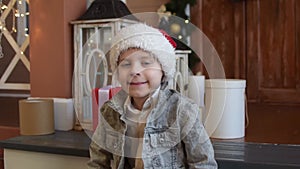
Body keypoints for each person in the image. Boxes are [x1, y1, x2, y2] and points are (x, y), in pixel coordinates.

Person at [87, 23, 217, 169]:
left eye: (146, 63)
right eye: (126, 64)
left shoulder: (183, 111)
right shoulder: (110, 111)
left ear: (163, 70)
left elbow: (203, 163)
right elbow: (97, 161)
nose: (135, 71)